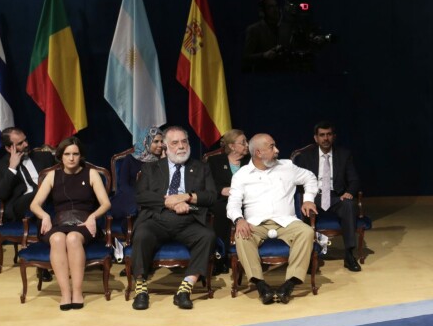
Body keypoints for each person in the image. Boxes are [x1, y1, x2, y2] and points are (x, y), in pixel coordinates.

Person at [130, 126, 217, 311]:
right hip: (157, 218)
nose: (181, 146)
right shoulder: (151, 168)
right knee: (141, 234)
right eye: (175, 143)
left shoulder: (201, 168)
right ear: (166, 147)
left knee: (207, 236)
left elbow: (211, 196)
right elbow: (141, 196)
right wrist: (170, 202)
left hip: (189, 219)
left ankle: (185, 289)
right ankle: (141, 288)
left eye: (184, 141)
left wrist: (186, 197)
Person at [227, 133, 318, 305]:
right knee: (241, 235)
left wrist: (308, 199)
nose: (277, 150)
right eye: (272, 147)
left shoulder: (288, 166)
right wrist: (239, 219)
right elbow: (233, 204)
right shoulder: (242, 175)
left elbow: (310, 178)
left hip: (286, 222)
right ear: (259, 153)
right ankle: (261, 285)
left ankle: (290, 284)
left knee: (306, 232)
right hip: (256, 224)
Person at [29, 136, 111, 310]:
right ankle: (65, 293)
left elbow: (106, 203)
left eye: (75, 154)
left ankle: (77, 292)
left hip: (84, 222)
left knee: (73, 238)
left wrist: (92, 217)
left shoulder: (91, 173)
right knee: (58, 239)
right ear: (61, 156)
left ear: (81, 155)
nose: (71, 158)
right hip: (59, 222)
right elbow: (34, 204)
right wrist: (44, 216)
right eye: (67, 154)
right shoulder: (52, 175)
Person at [294, 121, 362, 272]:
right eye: (322, 135)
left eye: (329, 134)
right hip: (314, 195)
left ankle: (349, 254)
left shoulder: (344, 155)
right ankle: (308, 256)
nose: (325, 138)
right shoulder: (306, 157)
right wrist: (307, 198)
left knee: (349, 205)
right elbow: (298, 182)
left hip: (336, 196)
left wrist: (349, 192)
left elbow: (354, 179)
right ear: (316, 138)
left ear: (334, 136)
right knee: (303, 207)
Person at [207, 129, 250, 273]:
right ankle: (220, 258)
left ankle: (245, 258)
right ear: (231, 146)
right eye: (243, 142)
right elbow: (208, 183)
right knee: (221, 212)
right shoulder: (214, 161)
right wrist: (221, 190)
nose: (247, 145)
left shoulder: (251, 162)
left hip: (247, 200)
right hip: (223, 200)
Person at [0, 127, 56, 222]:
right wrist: (12, 168)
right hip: (21, 206)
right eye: (20, 143)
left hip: (48, 200)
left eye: (25, 140)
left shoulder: (45, 157)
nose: (26, 144)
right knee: (43, 188)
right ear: (9, 148)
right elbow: (1, 195)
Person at [110, 127, 165, 220]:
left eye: (162, 141)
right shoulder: (130, 159)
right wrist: (140, 197)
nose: (160, 145)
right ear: (146, 141)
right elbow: (123, 184)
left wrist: (164, 161)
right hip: (131, 196)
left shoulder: (163, 161)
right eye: (156, 141)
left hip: (154, 199)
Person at [242, 0, 284, 72]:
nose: (275, 10)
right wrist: (263, 55)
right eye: (270, 7)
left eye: (276, 6)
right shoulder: (254, 29)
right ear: (263, 11)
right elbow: (246, 58)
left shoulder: (283, 28)